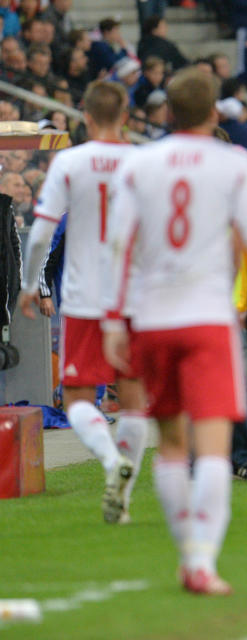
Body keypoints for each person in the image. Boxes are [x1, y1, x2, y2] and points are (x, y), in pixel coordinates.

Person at [101, 68, 247, 593]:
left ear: (166, 112)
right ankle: (200, 561)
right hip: (210, 317)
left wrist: (111, 318)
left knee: (171, 445)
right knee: (213, 444)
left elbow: (118, 246)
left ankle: (185, 552)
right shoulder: (234, 162)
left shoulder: (140, 164)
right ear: (215, 111)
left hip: (153, 317)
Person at [17, 81, 149, 525]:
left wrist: (29, 283)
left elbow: (40, 232)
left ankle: (112, 463)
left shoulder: (70, 162)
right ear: (125, 114)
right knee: (133, 397)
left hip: (84, 298)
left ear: (87, 118)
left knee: (76, 397)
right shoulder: (142, 162)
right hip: (133, 296)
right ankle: (123, 499)